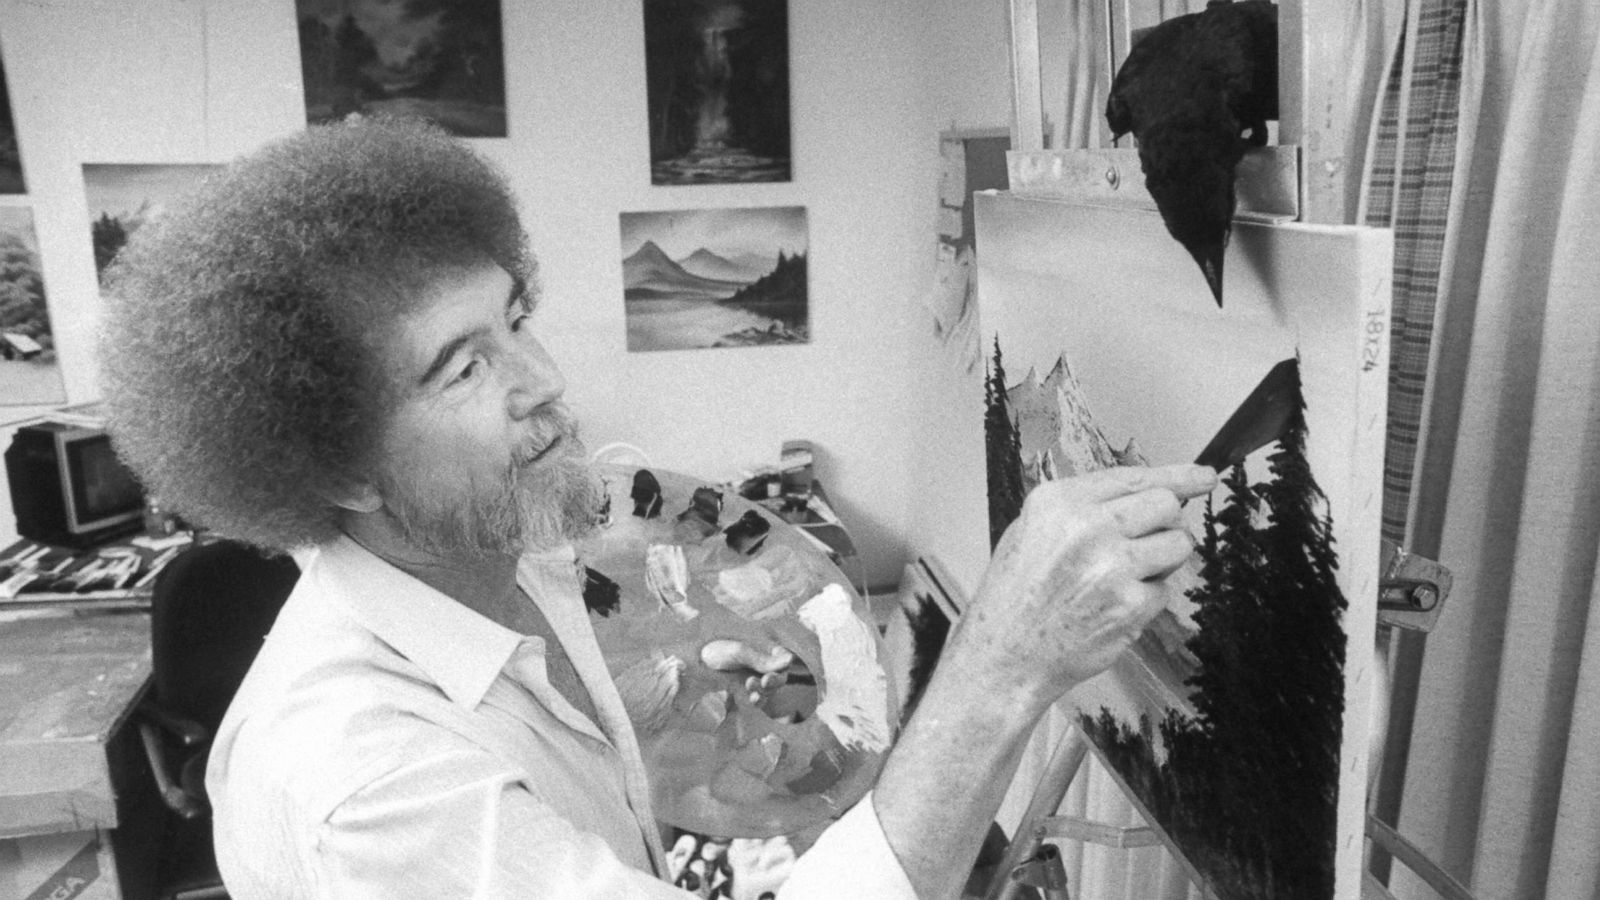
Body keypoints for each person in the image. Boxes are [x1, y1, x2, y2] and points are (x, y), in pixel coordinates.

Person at [99, 117, 1216, 899]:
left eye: (515, 320)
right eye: (461, 369)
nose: (541, 382)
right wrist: (1002, 663)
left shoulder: (518, 556)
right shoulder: (369, 787)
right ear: (335, 465)